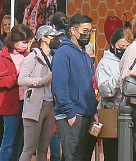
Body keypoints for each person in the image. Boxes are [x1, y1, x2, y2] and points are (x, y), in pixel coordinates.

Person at [53, 14, 98, 161]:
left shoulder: (85, 55)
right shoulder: (63, 53)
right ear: (73, 30)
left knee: (84, 155)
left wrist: (94, 110)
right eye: (85, 31)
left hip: (87, 113)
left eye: (90, 31)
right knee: (73, 156)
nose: (87, 34)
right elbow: (60, 86)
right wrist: (69, 113)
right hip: (72, 115)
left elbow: (89, 86)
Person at [19, 24, 60, 161]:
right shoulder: (32, 57)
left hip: (50, 105)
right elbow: (22, 79)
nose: (55, 39)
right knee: (29, 149)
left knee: (44, 148)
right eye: (52, 37)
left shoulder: (54, 58)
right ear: (43, 38)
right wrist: (42, 81)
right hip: (35, 105)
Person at [0, 24, 32, 161]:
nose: (26, 45)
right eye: (25, 42)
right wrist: (18, 76)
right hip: (10, 103)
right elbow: (0, 81)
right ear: (15, 41)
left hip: (26, 102)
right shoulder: (2, 56)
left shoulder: (27, 55)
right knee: (9, 140)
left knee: (22, 141)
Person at [96, 28, 132, 161]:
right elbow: (104, 90)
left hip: (131, 114)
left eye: (127, 47)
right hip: (113, 115)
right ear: (112, 45)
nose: (123, 50)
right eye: (120, 47)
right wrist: (120, 75)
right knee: (113, 154)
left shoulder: (132, 59)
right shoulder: (105, 63)